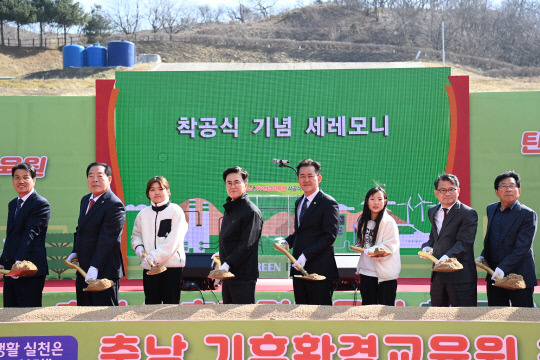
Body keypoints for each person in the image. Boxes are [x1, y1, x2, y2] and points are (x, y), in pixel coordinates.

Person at [279, 159, 340, 305]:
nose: (306, 180)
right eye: (302, 176)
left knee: (320, 317)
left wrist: (306, 255)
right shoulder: (299, 202)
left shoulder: (328, 203)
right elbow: (301, 232)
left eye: (310, 176)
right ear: (298, 179)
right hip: (299, 269)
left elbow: (329, 236)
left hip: (320, 270)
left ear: (318, 178)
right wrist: (287, 241)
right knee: (301, 314)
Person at [67, 162, 126, 306]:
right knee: (83, 314)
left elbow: (108, 240)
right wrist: (75, 251)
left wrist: (95, 267)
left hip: (104, 270)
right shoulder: (85, 199)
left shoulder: (114, 204)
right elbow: (80, 229)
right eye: (91, 176)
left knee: (103, 315)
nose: (94, 180)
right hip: (83, 269)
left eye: (100, 176)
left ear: (109, 179)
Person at [477, 171, 538, 307]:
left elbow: (522, 247)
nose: (508, 189)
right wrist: (483, 256)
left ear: (519, 190)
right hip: (494, 275)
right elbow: (492, 238)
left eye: (512, 185)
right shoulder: (491, 209)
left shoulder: (527, 214)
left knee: (522, 318)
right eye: (503, 186)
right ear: (497, 191)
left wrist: (503, 267)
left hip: (519, 276)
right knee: (496, 316)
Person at [421, 173, 478, 307]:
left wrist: (447, 257)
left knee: (463, 319)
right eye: (443, 190)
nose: (447, 193)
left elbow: (465, 242)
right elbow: (435, 237)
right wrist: (428, 246)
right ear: (436, 193)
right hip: (438, 277)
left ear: (458, 190)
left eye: (451, 189)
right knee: (438, 317)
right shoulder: (433, 211)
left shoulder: (468, 213)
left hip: (461, 277)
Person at [131, 176, 188, 304]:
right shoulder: (142, 214)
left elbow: (175, 239)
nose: (156, 192)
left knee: (170, 306)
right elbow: (136, 235)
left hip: (172, 266)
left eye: (161, 189)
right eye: (152, 189)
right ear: (148, 193)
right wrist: (138, 246)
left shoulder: (176, 211)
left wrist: (154, 256)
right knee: (151, 303)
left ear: (168, 191)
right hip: (149, 267)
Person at [0, 162, 50, 307]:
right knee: (10, 312)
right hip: (11, 271)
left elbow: (30, 234)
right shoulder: (13, 204)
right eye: (17, 178)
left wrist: (19, 263)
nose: (21, 181)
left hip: (30, 270)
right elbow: (11, 237)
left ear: (33, 180)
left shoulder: (40, 204)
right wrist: (3, 262)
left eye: (25, 177)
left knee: (27, 316)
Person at [216, 166, 263, 304]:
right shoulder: (230, 207)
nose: (233, 186)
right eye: (229, 183)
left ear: (245, 185)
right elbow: (230, 239)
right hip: (228, 274)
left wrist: (228, 262)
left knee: (242, 319)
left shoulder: (251, 211)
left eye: (237, 182)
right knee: (228, 318)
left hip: (243, 275)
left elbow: (247, 243)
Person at [355, 187, 401, 306]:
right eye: (372, 199)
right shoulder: (362, 220)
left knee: (384, 311)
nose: (376, 202)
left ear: (385, 201)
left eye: (380, 199)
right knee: (367, 309)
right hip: (366, 273)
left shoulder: (389, 222)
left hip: (384, 276)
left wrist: (372, 251)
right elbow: (363, 241)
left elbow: (390, 247)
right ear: (367, 201)